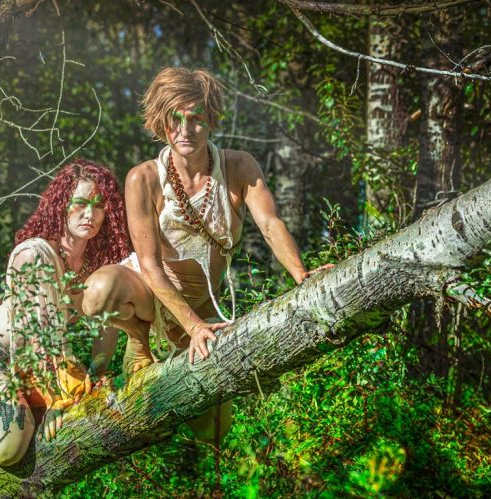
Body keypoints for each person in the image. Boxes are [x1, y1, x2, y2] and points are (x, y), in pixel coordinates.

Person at [82, 67, 332, 442]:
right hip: (150, 293)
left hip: (201, 304)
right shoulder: (143, 179)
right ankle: (139, 340)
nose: (185, 129)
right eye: (174, 119)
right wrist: (192, 326)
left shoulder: (237, 166)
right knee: (98, 293)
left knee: (212, 433)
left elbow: (270, 224)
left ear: (211, 119)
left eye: (196, 118)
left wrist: (301, 274)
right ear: (160, 122)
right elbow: (148, 263)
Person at [0, 159, 135, 466]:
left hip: (36, 368)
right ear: (62, 204)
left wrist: (96, 375)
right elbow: (41, 340)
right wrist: (58, 398)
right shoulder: (33, 254)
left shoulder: (97, 265)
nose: (90, 214)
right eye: (80, 203)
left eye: (99, 205)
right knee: (9, 449)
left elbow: (109, 325)